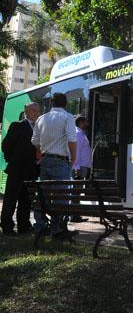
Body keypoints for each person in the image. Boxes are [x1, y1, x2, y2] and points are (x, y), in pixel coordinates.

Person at [31, 92, 78, 239]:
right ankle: (57, 228)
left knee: (43, 195)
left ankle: (40, 225)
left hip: (45, 161)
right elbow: (71, 140)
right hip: (61, 161)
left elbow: (35, 141)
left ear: (52, 103)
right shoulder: (68, 117)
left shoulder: (41, 118)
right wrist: (73, 158)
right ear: (65, 104)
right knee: (61, 196)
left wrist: (41, 154)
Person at [0, 102, 41, 235]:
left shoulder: (40, 128)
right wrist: (12, 160)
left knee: (26, 201)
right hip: (17, 170)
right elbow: (6, 145)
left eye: (38, 111)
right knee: (10, 200)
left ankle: (24, 226)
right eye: (33, 110)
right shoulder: (17, 125)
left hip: (32, 171)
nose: (36, 113)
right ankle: (7, 227)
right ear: (26, 112)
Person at [70, 115, 92, 223]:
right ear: (80, 123)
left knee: (77, 191)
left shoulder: (80, 133)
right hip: (79, 167)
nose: (87, 124)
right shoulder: (78, 133)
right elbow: (76, 152)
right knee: (76, 191)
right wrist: (76, 168)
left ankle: (75, 215)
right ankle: (74, 216)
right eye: (85, 122)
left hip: (82, 166)